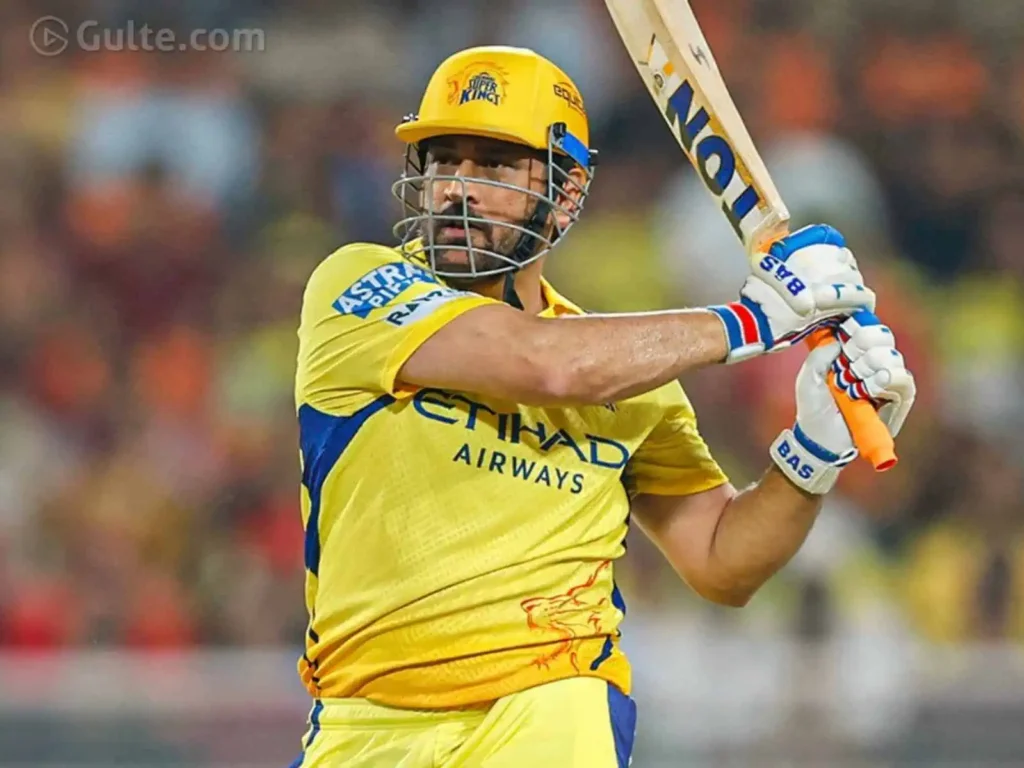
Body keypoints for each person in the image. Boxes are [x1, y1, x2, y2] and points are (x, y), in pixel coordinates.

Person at [290, 46, 916, 768]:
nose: (458, 189)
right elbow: (546, 364)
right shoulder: (356, 287)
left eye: (494, 166)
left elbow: (721, 563)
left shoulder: (631, 374)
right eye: (444, 161)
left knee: (567, 699)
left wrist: (811, 453)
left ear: (564, 194)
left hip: (549, 707)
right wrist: (751, 322)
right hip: (362, 722)